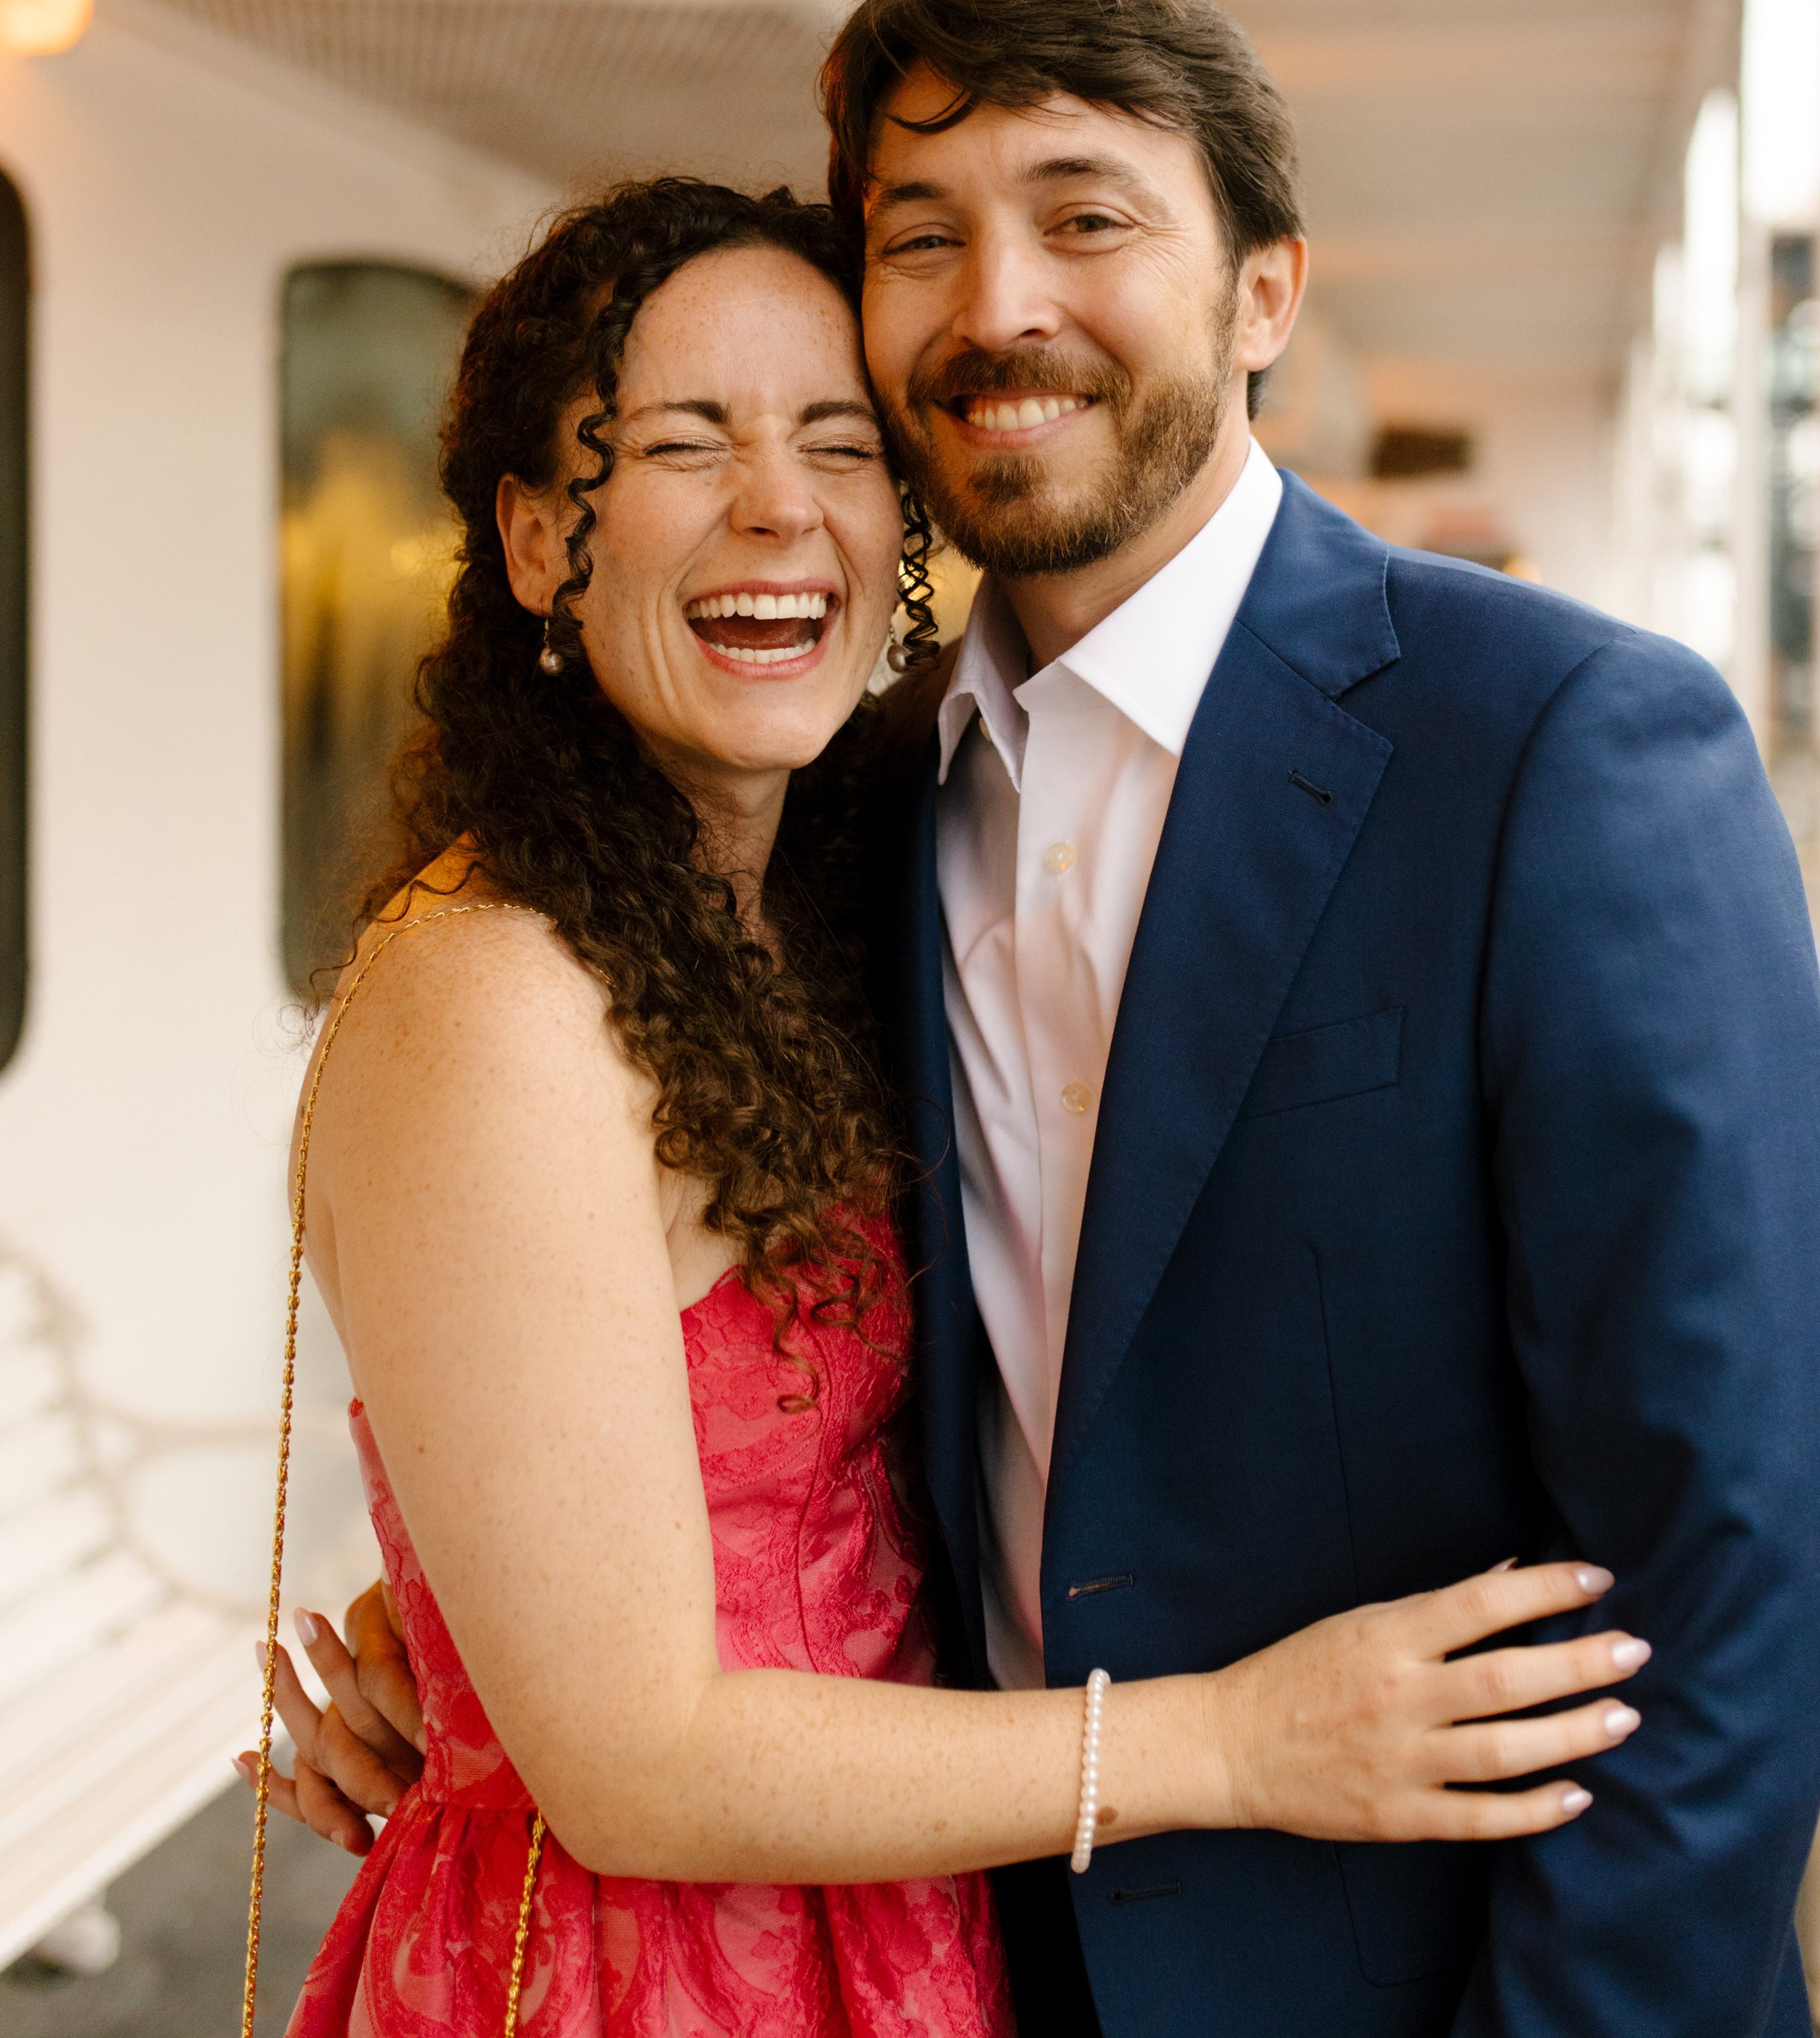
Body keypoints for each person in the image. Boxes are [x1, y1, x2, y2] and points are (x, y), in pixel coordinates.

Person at [245, 172, 1648, 2038]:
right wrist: (1238, 1742)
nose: (778, 505)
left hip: (879, 1928)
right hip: (628, 1974)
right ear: (530, 538)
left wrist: (473, 1597)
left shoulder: (810, 906)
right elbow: (636, 1760)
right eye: (681, 440)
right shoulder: (493, 994)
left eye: (837, 438)